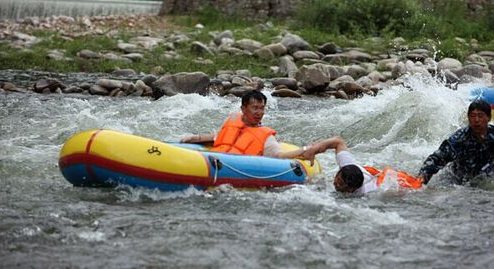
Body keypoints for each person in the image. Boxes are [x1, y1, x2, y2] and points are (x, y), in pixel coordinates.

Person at [181, 90, 315, 164]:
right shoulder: (233, 119)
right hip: (215, 158)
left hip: (234, 168)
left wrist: (304, 150)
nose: (259, 113)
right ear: (243, 109)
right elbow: (219, 138)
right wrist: (192, 138)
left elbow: (280, 157)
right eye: (255, 108)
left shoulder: (266, 136)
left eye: (262, 108)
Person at [304, 136, 422, 195]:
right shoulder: (347, 166)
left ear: (351, 189)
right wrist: (315, 149)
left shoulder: (368, 192)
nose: (335, 183)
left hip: (386, 182)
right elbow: (338, 141)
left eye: (340, 184)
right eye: (337, 178)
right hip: (369, 174)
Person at [417, 99, 494, 185]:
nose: (476, 120)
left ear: (489, 118)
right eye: (472, 116)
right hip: (458, 182)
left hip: (485, 176)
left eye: (480, 116)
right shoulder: (460, 139)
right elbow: (438, 158)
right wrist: (422, 177)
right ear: (468, 118)